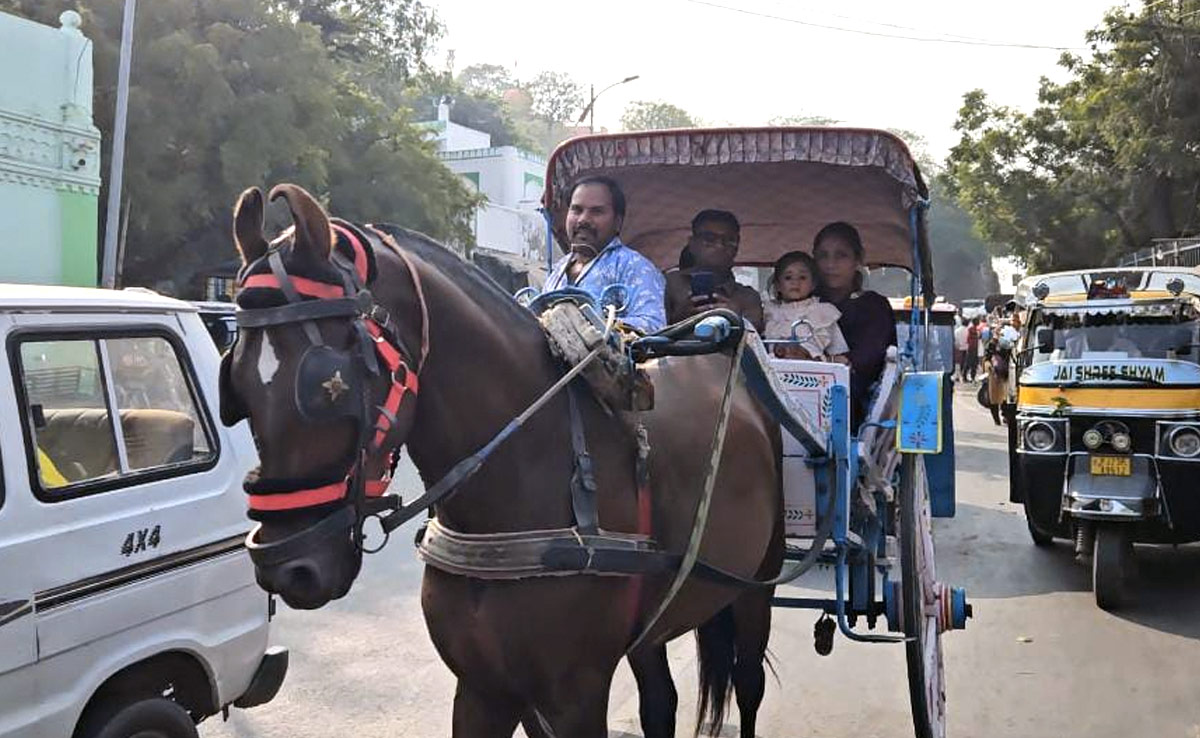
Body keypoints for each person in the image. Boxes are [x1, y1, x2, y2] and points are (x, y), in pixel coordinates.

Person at [544, 176, 666, 333]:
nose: (583, 220)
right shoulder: (558, 271)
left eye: (597, 212)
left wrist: (591, 325)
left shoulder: (634, 266)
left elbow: (653, 325)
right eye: (577, 210)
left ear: (617, 222)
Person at [812, 221, 897, 426]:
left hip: (854, 395)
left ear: (857, 260)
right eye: (823, 256)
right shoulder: (803, 303)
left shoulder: (874, 305)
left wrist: (835, 363)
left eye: (841, 255)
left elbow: (871, 354)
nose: (830, 264)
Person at [664, 210, 765, 331]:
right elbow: (649, 332)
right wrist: (678, 318)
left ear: (737, 246)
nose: (720, 245)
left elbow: (756, 341)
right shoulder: (667, 284)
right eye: (709, 239)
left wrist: (736, 318)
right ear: (692, 243)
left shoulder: (748, 297)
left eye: (729, 240)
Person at [762, 250, 849, 362]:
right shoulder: (771, 313)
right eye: (788, 277)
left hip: (813, 372)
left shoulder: (822, 312)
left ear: (813, 284)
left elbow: (839, 351)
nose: (795, 282)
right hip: (776, 371)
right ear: (778, 285)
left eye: (802, 277)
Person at [964, 318, 980, 382]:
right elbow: (970, 338)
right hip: (972, 348)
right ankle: (965, 376)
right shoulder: (972, 329)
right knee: (969, 363)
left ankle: (972, 376)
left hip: (974, 348)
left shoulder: (975, 329)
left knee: (974, 363)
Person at [953, 317, 969, 381]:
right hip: (966, 348)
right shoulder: (968, 330)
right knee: (964, 362)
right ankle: (962, 375)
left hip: (958, 348)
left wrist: (957, 346)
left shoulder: (957, 330)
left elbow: (955, 339)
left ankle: (957, 375)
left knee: (957, 362)